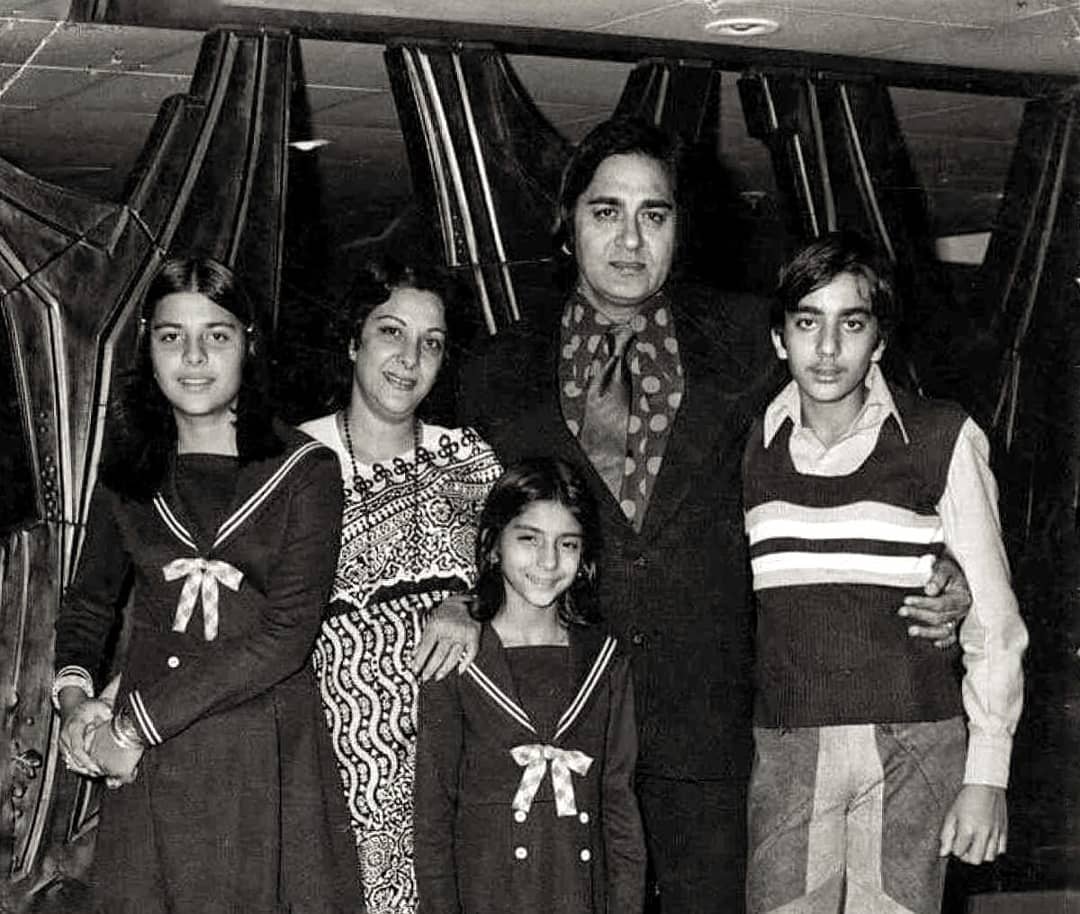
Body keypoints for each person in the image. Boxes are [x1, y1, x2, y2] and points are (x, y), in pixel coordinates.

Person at [438, 117, 973, 913]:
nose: (630, 239)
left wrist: (946, 558)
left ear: (680, 227)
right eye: (606, 211)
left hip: (716, 727)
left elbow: (875, 429)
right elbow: (460, 514)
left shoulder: (754, 341)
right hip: (562, 717)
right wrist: (454, 595)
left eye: (653, 214)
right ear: (567, 222)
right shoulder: (496, 370)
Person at [52, 255, 360, 913]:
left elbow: (284, 638)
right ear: (148, 345)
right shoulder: (129, 469)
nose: (193, 358)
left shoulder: (305, 470)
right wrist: (76, 706)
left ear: (248, 342)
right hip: (148, 770)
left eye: (216, 335)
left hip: (259, 755)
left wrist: (132, 726)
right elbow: (87, 607)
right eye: (172, 336)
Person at [743, 232, 1028, 914]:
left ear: (880, 339)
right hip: (789, 747)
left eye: (852, 323)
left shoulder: (940, 438)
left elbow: (993, 618)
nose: (827, 347)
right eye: (807, 322)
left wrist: (988, 773)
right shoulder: (749, 445)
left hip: (916, 745)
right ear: (780, 338)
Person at [299, 256, 502, 914]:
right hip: (327, 773)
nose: (410, 359)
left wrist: (470, 601)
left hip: (454, 772)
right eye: (391, 332)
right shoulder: (290, 463)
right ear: (352, 340)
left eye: (431, 343)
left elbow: (529, 580)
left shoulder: (469, 462)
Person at [414, 457, 646, 914]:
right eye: (529, 539)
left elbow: (619, 807)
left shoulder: (605, 661)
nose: (548, 560)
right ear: (493, 545)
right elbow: (433, 817)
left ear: (584, 557)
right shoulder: (456, 660)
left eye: (567, 544)